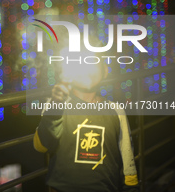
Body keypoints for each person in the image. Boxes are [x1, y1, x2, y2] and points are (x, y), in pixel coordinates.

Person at [33, 48, 140, 192]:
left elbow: (127, 157)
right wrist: (55, 108)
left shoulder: (116, 110)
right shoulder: (56, 104)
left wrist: (132, 187)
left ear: (105, 71)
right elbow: (42, 146)